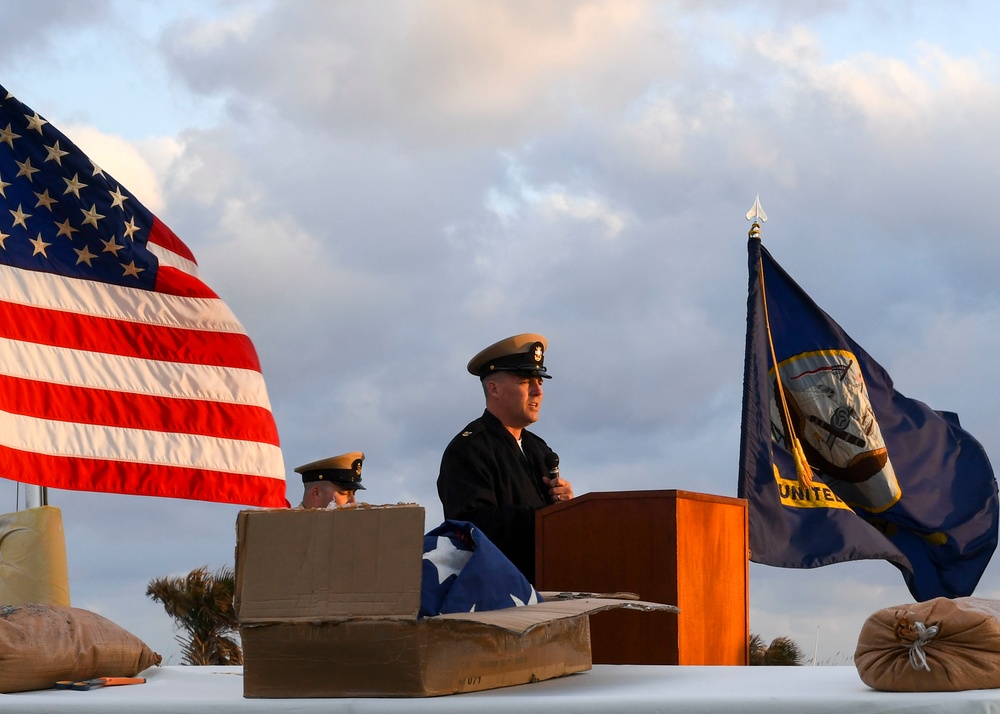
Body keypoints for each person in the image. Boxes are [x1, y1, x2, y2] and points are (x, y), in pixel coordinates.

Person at [437, 333, 574, 583]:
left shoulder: (538, 449)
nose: (537, 391)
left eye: (540, 382)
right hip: (498, 597)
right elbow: (472, 528)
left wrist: (565, 509)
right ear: (494, 388)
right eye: (525, 381)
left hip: (546, 588)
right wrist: (545, 519)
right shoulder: (468, 449)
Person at [295, 452, 366, 509]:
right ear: (316, 493)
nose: (353, 501)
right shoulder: (288, 525)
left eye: (353, 493)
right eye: (343, 493)